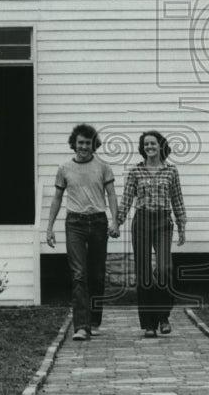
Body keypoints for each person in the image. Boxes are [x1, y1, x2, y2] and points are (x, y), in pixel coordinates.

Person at [47, 124, 119, 341]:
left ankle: (94, 320)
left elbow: (112, 195)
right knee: (78, 275)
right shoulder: (64, 168)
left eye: (88, 143)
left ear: (93, 144)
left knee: (96, 275)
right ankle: (81, 326)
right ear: (74, 144)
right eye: (80, 143)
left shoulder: (103, 167)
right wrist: (49, 228)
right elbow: (57, 198)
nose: (84, 147)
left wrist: (115, 221)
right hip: (74, 223)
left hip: (98, 222)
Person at [113, 130, 186, 338]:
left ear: (160, 145)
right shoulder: (136, 172)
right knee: (144, 273)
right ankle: (149, 324)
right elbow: (127, 199)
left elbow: (177, 200)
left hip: (163, 221)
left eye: (153, 144)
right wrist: (117, 223)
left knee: (164, 269)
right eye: (146, 144)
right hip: (142, 221)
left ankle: (163, 316)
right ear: (142, 148)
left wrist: (181, 226)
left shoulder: (171, 171)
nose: (150, 147)